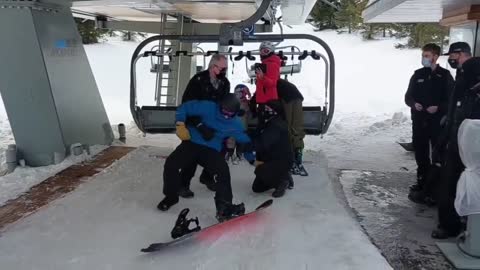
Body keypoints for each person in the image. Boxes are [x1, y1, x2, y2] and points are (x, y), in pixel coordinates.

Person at [158, 94, 254, 222]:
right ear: (219, 106)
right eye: (224, 111)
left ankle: (224, 207)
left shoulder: (235, 124)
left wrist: (253, 157)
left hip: (211, 150)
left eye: (230, 114)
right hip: (192, 143)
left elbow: (245, 140)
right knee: (171, 164)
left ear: (235, 113)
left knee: (223, 171)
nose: (226, 115)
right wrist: (180, 123)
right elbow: (184, 108)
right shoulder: (207, 107)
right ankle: (170, 197)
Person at [432, 42, 480, 239]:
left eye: (453, 55)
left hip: (468, 141)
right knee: (453, 181)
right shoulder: (462, 74)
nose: (450, 59)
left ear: (461, 54)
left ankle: (452, 225)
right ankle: (459, 222)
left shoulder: (472, 71)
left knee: (451, 182)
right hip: (459, 137)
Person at [404, 43, 453, 199]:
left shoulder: (445, 76)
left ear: (435, 57)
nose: (424, 58)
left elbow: (451, 100)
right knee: (421, 154)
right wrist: (414, 104)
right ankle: (422, 182)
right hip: (419, 122)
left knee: (438, 155)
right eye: (423, 55)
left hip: (437, 123)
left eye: (427, 56)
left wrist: (438, 108)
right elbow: (408, 97)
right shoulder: (418, 74)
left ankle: (436, 187)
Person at [178, 54, 230, 198]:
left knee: (219, 149)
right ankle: (183, 184)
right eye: (222, 68)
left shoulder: (224, 83)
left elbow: (223, 105)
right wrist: (199, 125)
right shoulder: (198, 81)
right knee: (192, 153)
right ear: (213, 67)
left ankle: (207, 176)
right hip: (195, 122)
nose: (225, 71)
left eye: (226, 68)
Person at [252, 101, 294, 197]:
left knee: (260, 170)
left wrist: (244, 143)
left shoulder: (277, 125)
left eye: (265, 109)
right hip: (270, 158)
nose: (262, 112)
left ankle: (282, 181)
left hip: (282, 161)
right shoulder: (266, 122)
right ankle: (283, 176)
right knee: (257, 188)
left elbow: (261, 144)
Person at [277, 78, 308, 176]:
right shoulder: (280, 80)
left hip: (287, 98)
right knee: (297, 128)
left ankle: (291, 160)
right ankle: (298, 158)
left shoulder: (267, 81)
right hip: (297, 97)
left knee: (288, 127)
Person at [255, 41, 281, 126]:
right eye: (261, 51)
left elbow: (272, 83)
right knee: (262, 125)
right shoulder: (264, 64)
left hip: (269, 101)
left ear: (271, 51)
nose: (262, 53)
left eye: (266, 51)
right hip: (263, 100)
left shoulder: (272, 64)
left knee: (267, 126)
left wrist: (262, 77)